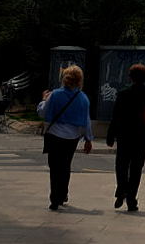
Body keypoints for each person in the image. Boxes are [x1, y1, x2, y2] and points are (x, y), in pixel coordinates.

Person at [105, 63, 145, 211]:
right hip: (142, 135)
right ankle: (131, 198)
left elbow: (116, 116)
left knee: (121, 164)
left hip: (124, 134)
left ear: (130, 77)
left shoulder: (123, 94)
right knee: (137, 167)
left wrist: (110, 135)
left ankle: (121, 190)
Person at [39, 65, 94, 210]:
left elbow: (43, 113)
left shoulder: (55, 95)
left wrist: (43, 100)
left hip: (54, 134)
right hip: (72, 136)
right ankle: (63, 194)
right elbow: (86, 121)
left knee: (54, 167)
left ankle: (54, 198)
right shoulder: (83, 98)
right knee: (65, 165)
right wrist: (88, 139)